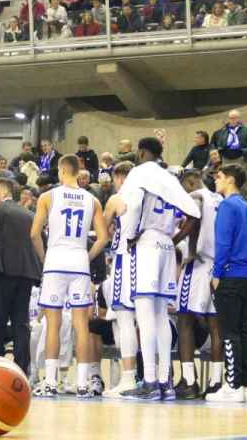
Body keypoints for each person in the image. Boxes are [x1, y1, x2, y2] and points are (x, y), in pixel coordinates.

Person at [113, 138, 199, 401]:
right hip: (166, 244)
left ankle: (149, 381)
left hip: (146, 243)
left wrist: (130, 235)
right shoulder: (169, 176)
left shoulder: (139, 173)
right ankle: (165, 382)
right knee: (162, 315)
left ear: (140, 152)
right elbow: (194, 213)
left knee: (145, 313)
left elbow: (131, 206)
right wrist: (174, 239)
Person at [30, 155, 108, 398]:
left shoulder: (47, 196)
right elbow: (103, 238)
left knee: (53, 324)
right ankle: (83, 383)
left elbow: (34, 234)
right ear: (79, 171)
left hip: (55, 260)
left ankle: (51, 382)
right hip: (79, 262)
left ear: (61, 172)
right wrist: (88, 254)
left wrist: (44, 259)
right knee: (81, 326)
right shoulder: (92, 199)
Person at [206, 164, 247, 403]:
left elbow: (223, 243)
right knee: (243, 330)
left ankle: (232, 385)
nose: (216, 180)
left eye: (219, 176)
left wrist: (217, 272)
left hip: (230, 274)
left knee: (228, 331)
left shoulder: (227, 205)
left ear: (230, 179)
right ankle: (246, 385)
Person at [172, 171, 225, 399]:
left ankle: (189, 381)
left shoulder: (196, 196)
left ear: (191, 183)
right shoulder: (219, 199)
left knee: (184, 321)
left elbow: (193, 222)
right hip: (218, 264)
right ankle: (215, 382)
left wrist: (174, 241)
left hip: (198, 263)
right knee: (216, 327)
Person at [0, 178, 41, 376]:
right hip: (26, 273)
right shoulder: (29, 214)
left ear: (2, 191)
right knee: (21, 323)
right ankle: (21, 370)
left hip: (2, 272)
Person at [101, 161, 139, 397]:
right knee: (144, 322)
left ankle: (128, 378)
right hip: (145, 259)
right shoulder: (147, 197)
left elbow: (101, 228)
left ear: (119, 178)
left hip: (124, 260)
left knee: (123, 320)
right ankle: (153, 378)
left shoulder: (118, 198)